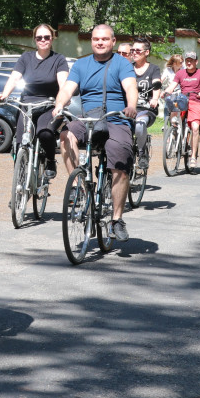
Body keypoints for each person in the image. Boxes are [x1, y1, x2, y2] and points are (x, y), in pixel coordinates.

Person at [52, 25, 138, 241]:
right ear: (91, 41)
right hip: (89, 118)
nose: (100, 42)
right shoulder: (81, 64)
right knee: (65, 135)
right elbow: (67, 89)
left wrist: (131, 106)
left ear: (113, 41)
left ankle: (117, 219)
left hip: (116, 118)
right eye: (96, 39)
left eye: (105, 39)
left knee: (119, 160)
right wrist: (59, 104)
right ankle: (77, 185)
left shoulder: (122, 63)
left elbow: (131, 88)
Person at [0, 23, 69, 178]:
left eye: (46, 37)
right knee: (20, 140)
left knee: (45, 134)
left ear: (52, 38)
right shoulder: (26, 58)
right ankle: (19, 184)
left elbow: (63, 84)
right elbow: (14, 77)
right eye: (39, 37)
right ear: (35, 40)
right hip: (27, 105)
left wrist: (61, 103)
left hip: (48, 105)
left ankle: (50, 161)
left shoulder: (58, 59)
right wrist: (4, 95)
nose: (43, 40)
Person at [122, 38, 162, 170]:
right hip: (127, 109)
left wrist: (155, 98)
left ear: (146, 52)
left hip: (145, 109)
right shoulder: (127, 68)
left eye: (138, 50)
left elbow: (157, 85)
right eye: (132, 50)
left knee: (140, 125)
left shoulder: (153, 69)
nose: (134, 53)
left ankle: (142, 152)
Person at [167, 51, 200, 169]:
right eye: (187, 60)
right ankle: (175, 138)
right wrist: (166, 92)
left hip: (196, 101)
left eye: (191, 60)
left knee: (195, 128)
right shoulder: (180, 73)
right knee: (174, 119)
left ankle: (193, 156)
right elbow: (172, 86)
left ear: (196, 61)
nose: (189, 62)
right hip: (182, 100)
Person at [161, 53, 183, 120]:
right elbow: (161, 79)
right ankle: (166, 124)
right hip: (170, 91)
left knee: (178, 107)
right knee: (166, 106)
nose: (182, 64)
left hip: (180, 91)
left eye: (182, 62)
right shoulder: (168, 70)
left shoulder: (183, 70)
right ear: (174, 64)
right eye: (180, 62)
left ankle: (179, 122)